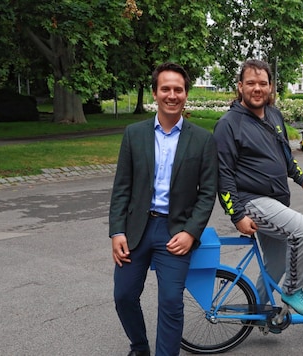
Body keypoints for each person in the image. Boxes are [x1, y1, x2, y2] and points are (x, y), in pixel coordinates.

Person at [109, 62, 219, 356]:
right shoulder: (134, 134)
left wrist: (191, 232)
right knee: (123, 296)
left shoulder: (203, 140)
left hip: (175, 231)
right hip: (136, 230)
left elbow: (208, 193)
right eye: (165, 89)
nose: (172, 95)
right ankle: (140, 346)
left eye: (178, 89)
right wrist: (117, 231)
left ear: (186, 94)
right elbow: (122, 187)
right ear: (155, 94)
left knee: (171, 301)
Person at [213, 59, 303, 317]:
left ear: (271, 87)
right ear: (240, 87)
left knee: (274, 264)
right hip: (252, 201)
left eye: (263, 83)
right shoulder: (229, 124)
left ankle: (259, 314)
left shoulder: (274, 115)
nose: (257, 88)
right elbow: (223, 174)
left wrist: (301, 178)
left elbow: (285, 154)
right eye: (251, 83)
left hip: (275, 201)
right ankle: (293, 290)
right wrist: (237, 215)